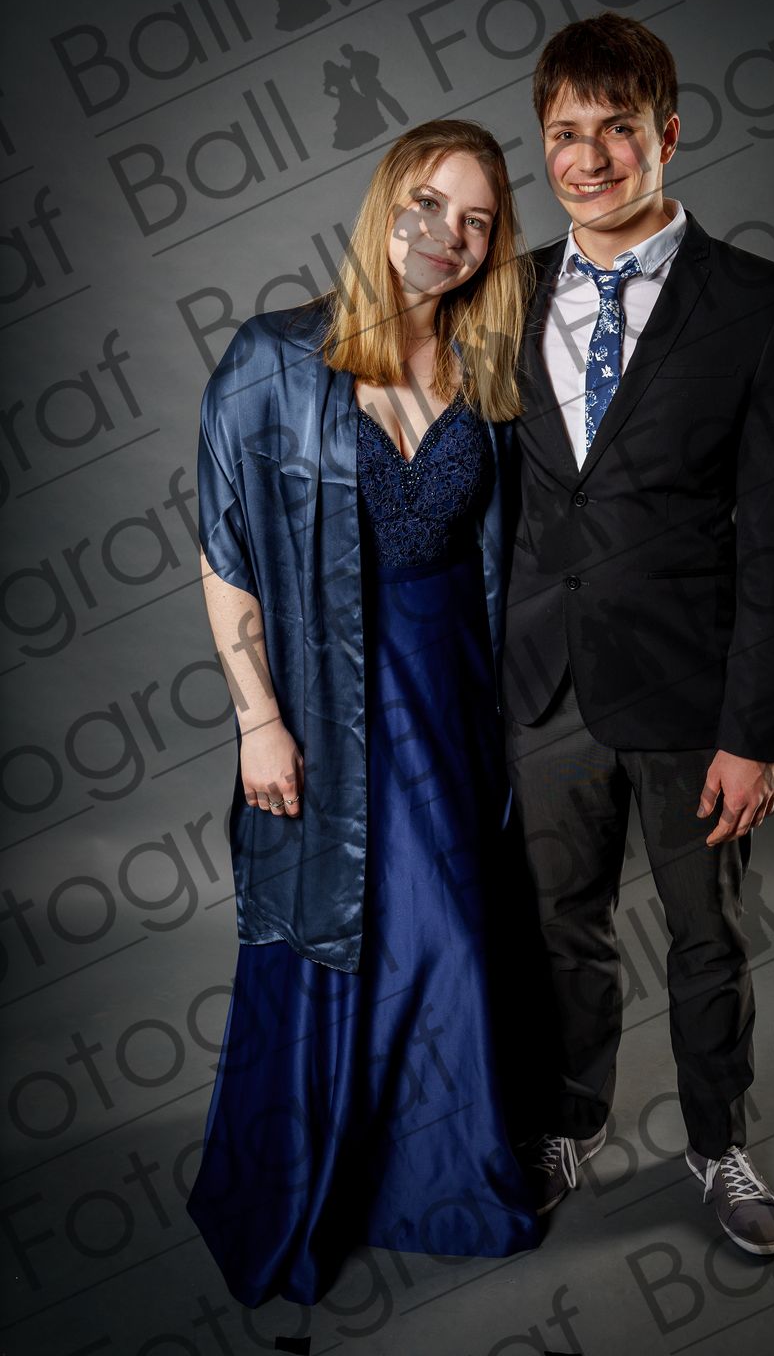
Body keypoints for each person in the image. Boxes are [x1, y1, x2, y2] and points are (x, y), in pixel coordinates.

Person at [186, 118, 542, 1307]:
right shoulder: (272, 358)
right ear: (386, 202)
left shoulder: (489, 376)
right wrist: (257, 719)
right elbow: (225, 552)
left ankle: (436, 1175)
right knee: (336, 927)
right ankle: (307, 1184)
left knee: (446, 933)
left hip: (450, 693)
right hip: (326, 694)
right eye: (429, 203)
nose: (448, 234)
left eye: (477, 220)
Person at [503, 13, 774, 1256]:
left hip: (695, 699)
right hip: (543, 686)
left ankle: (718, 1140)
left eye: (617, 129)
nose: (588, 159)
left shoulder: (759, 305)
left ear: (669, 134)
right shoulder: (504, 292)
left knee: (708, 934)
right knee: (558, 927)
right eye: (564, 134)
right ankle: (568, 1117)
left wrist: (756, 732)